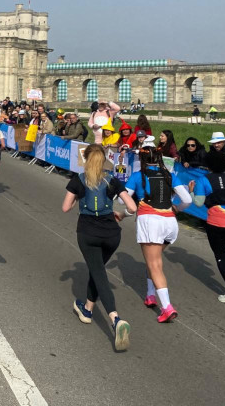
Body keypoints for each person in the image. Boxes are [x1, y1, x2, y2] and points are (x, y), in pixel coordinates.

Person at [62, 144, 137, 351]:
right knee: (97, 270)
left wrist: (78, 197)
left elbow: (65, 207)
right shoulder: (111, 180)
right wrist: (120, 214)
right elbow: (132, 207)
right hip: (112, 233)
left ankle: (115, 319)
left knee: (99, 274)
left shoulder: (78, 179)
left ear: (85, 159)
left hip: (88, 233)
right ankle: (87, 309)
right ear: (104, 160)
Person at [125, 146, 193, 322]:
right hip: (170, 222)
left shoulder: (138, 176)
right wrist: (177, 208)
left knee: (154, 264)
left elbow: (122, 199)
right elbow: (187, 199)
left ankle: (167, 307)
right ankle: (150, 295)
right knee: (153, 260)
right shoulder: (170, 175)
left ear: (143, 159)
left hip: (150, 222)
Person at [193, 151, 225, 304]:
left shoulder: (203, 179)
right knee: (224, 251)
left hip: (216, 221)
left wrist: (192, 191)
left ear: (208, 164)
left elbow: (198, 202)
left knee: (219, 255)